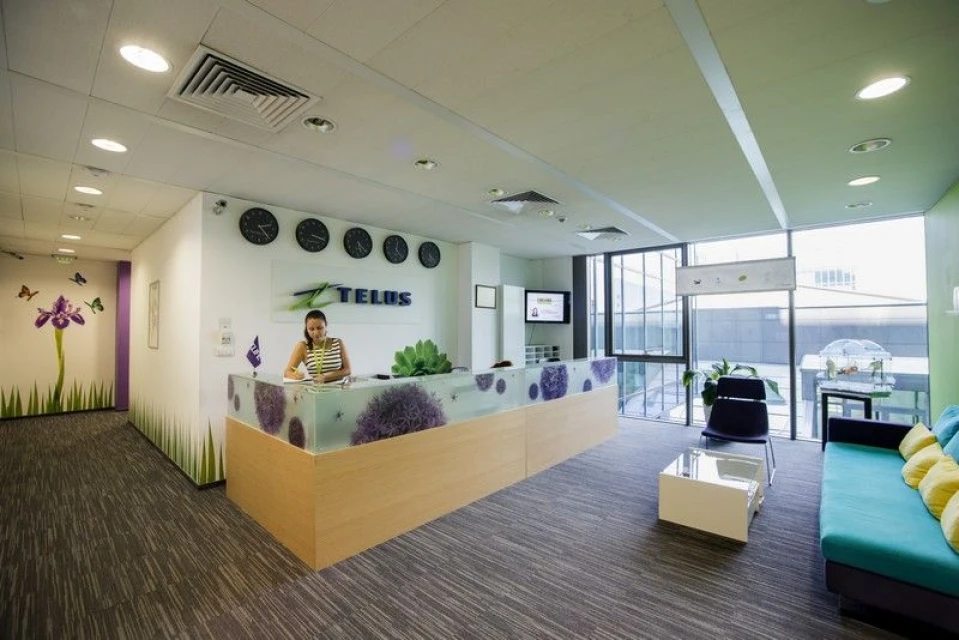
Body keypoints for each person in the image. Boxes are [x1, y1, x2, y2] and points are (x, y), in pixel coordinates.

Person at [284, 310, 352, 383]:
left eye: (319, 328)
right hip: (316, 389)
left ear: (326, 325)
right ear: (306, 329)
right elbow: (287, 372)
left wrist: (326, 377)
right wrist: (296, 376)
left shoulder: (338, 342)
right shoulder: (302, 346)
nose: (316, 333)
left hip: (339, 388)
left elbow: (348, 370)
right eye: (311, 329)